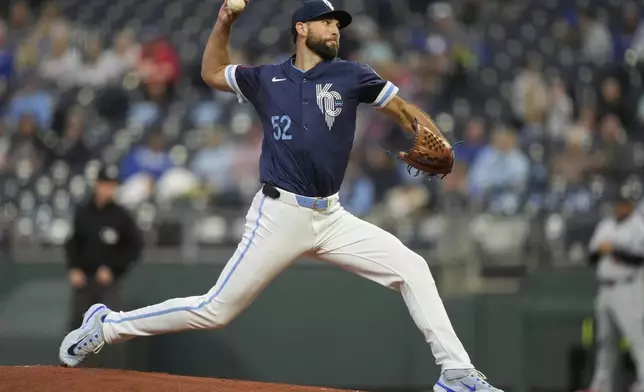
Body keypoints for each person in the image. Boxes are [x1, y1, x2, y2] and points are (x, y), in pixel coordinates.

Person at [59, 1, 502, 390]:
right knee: (215, 310)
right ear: (302, 29)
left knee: (413, 267)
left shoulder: (352, 74)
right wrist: (224, 21)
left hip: (331, 217)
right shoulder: (267, 78)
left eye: (339, 24)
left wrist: (434, 136)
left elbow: (402, 107)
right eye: (327, 22)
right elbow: (211, 72)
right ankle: (108, 325)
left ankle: (455, 373)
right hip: (279, 215)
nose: (336, 30)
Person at [64, 165, 143, 331]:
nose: (109, 189)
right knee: (79, 330)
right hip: (84, 282)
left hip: (109, 284)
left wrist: (113, 269)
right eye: (106, 184)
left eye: (113, 185)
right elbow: (72, 242)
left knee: (110, 329)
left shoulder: (121, 216)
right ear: (97, 184)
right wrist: (74, 268)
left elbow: (135, 248)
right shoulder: (83, 212)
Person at [578, 194, 644, 392]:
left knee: (637, 339)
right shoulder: (605, 225)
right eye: (616, 203)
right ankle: (601, 386)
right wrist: (601, 250)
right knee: (604, 340)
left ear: (629, 205)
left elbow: (639, 259)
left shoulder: (638, 227)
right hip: (604, 289)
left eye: (621, 203)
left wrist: (613, 250)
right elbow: (590, 257)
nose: (617, 207)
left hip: (627, 287)